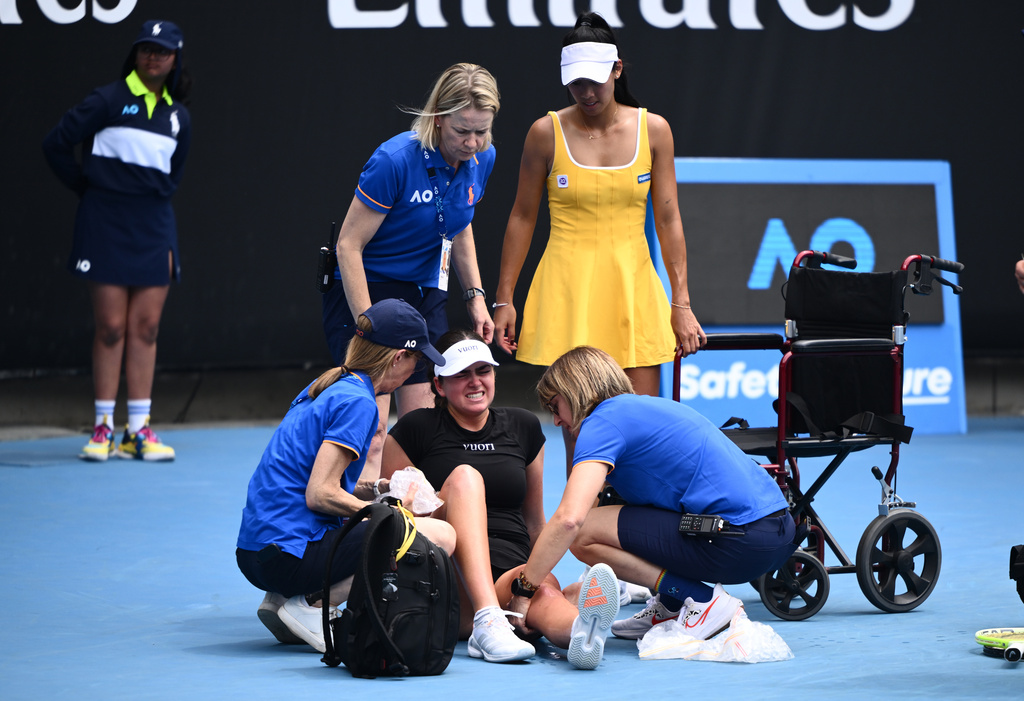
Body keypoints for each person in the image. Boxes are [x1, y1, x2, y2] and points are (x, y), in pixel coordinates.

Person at [507, 345, 796, 646]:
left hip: (740, 539)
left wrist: (525, 589)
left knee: (583, 535)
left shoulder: (601, 423)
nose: (555, 420)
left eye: (555, 406)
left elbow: (570, 519)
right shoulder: (642, 408)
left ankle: (697, 598)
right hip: (774, 534)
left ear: (577, 391)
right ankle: (671, 606)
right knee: (610, 509)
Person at [492, 12, 705, 403]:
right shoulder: (545, 133)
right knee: (581, 431)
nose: (585, 91)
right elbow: (522, 216)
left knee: (639, 428)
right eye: (575, 82)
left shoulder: (654, 130)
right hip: (567, 294)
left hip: (634, 292)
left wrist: (682, 304)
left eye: (594, 79)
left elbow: (668, 219)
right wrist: (504, 299)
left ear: (617, 69)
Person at [380, 332, 621, 669]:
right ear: (438, 385)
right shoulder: (413, 429)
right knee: (465, 478)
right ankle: (488, 618)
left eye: (483, 370)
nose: (475, 382)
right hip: (449, 582)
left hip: (511, 572)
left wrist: (536, 578)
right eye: (462, 374)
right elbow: (394, 523)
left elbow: (535, 522)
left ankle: (580, 631)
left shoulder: (523, 426)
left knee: (541, 592)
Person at [235, 299, 456, 653]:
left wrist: (377, 490)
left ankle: (279, 600)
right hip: (287, 556)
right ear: (399, 357)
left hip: (257, 553)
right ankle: (311, 604)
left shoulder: (329, 385)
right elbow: (319, 494)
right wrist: (393, 515)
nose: (418, 370)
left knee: (385, 515)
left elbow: (314, 479)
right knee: (437, 534)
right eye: (418, 360)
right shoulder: (359, 402)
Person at [324, 63, 501, 475]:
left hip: (424, 293)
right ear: (438, 119)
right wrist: (370, 326)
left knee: (421, 426)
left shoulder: (482, 158)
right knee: (373, 429)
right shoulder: (394, 160)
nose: (473, 142)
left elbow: (459, 223)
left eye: (482, 131)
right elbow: (348, 246)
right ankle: (359, 527)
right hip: (370, 290)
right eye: (462, 131)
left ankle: (410, 528)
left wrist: (475, 298)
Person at [42, 20, 193, 462]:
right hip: (103, 226)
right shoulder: (106, 100)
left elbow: (172, 177)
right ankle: (103, 427)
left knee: (145, 329)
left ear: (174, 59)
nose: (153, 57)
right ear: (136, 54)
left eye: (163, 52)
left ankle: (138, 430)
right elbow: (55, 144)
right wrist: (90, 189)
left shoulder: (178, 117)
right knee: (110, 329)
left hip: (153, 229)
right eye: (146, 49)